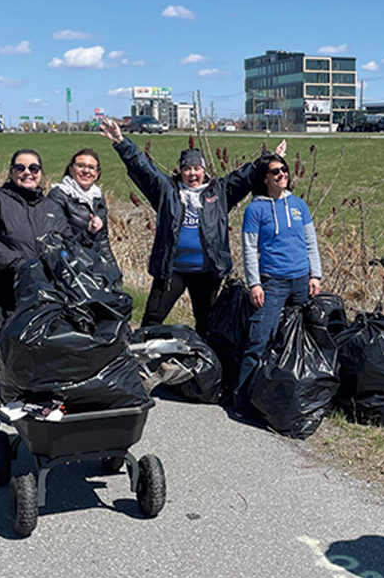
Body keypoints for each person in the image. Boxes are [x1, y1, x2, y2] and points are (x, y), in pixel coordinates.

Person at [100, 118, 279, 330]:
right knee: (152, 319)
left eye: (197, 168)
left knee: (206, 324)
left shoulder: (219, 191)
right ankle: (145, 357)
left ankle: (203, 361)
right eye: (187, 169)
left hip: (206, 271)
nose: (192, 173)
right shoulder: (166, 190)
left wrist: (268, 160)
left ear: (203, 170)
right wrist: (121, 141)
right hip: (172, 270)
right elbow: (143, 168)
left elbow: (244, 176)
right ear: (180, 171)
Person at [236, 153, 323, 405]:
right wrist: (254, 283)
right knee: (259, 338)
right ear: (265, 178)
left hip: (301, 281)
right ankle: (242, 398)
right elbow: (249, 249)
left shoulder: (299, 205)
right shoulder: (255, 209)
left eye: (284, 170)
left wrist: (315, 275)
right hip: (272, 283)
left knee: (296, 340)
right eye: (276, 171)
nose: (282, 174)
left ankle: (290, 397)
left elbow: (311, 243)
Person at [0, 149, 73, 353]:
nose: (28, 172)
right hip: (0, 294)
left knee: (32, 358)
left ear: (41, 172)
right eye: (21, 168)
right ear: (12, 172)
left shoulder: (51, 206)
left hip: (40, 295)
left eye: (34, 168)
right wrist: (21, 265)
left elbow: (67, 242)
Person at [47, 148, 120, 281]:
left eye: (91, 168)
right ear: (71, 169)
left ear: (97, 174)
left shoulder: (97, 197)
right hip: (68, 270)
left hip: (94, 266)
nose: (86, 171)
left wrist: (113, 270)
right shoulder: (59, 195)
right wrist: (89, 233)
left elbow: (103, 239)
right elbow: (58, 242)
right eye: (80, 166)